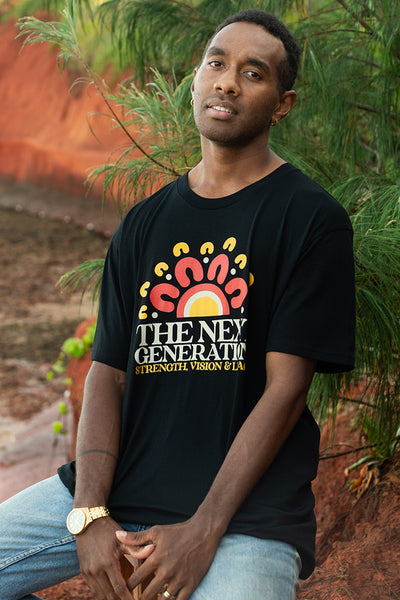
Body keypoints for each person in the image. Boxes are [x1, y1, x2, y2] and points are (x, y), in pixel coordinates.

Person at [0, 9, 355, 600]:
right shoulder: (144, 223)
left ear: (283, 104)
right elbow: (107, 374)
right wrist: (89, 512)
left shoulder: (312, 220)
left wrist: (203, 530)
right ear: (195, 80)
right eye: (216, 64)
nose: (227, 82)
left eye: (253, 73)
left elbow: (286, 390)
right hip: (121, 490)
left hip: (246, 518)